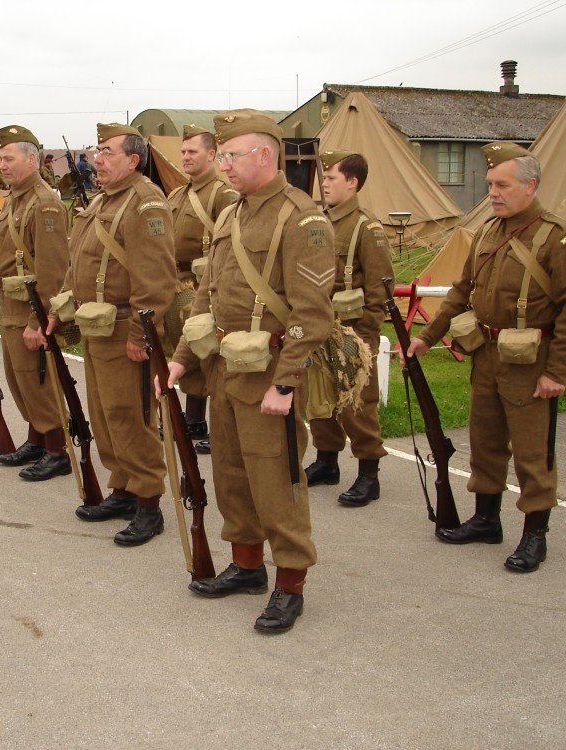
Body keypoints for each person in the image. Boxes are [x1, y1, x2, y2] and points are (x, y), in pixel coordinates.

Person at [165, 110, 335, 633]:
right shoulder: (230, 214)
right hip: (226, 372)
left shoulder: (302, 219)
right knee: (232, 477)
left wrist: (286, 382)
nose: (224, 166)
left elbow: (312, 315)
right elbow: (207, 296)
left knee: (276, 483)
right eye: (221, 156)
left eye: (231, 156)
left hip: (270, 376)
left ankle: (290, 584)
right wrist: (180, 357)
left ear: (264, 155)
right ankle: (245, 566)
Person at [407, 141, 566, 573]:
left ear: (530, 186)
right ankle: (486, 519)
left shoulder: (558, 238)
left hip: (532, 362)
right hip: (487, 355)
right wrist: (427, 338)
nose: (492, 191)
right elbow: (461, 292)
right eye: (490, 183)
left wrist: (557, 372)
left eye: (502, 184)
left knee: (533, 453)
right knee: (485, 443)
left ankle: (534, 535)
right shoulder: (489, 231)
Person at [51, 123, 176, 546]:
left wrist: (142, 337)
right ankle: (123, 488)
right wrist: (61, 311)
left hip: (125, 327)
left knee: (130, 416)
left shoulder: (145, 203)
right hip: (96, 325)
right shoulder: (105, 200)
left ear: (133, 160)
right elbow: (77, 264)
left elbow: (156, 279)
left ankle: (148, 502)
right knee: (105, 415)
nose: (96, 159)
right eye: (96, 151)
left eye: (106, 152)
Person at [0, 125, 72, 481]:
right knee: (19, 381)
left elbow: (53, 270)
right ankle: (36, 439)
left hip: (30, 309)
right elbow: (1, 260)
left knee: (38, 382)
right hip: (12, 305)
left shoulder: (45, 203)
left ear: (32, 159)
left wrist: (40, 320)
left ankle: (56, 449)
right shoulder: (16, 199)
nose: (1, 165)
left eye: (9, 158)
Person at [304, 150, 394, 506]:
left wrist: (366, 340)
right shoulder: (317, 220)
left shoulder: (366, 227)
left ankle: (368, 474)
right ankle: (326, 461)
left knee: (357, 404)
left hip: (352, 331)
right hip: (318, 326)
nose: (324, 184)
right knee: (320, 401)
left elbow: (380, 288)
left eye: (331, 179)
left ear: (352, 183)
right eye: (323, 179)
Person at [165, 125, 239, 455]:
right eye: (183, 152)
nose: (185, 157)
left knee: (211, 356)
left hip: (204, 287)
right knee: (191, 356)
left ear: (211, 155)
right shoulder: (177, 195)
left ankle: (219, 424)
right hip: (178, 285)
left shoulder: (223, 195)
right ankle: (194, 420)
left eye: (192, 152)